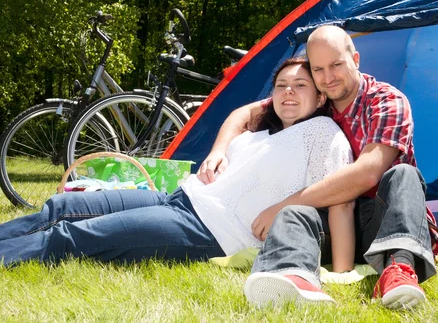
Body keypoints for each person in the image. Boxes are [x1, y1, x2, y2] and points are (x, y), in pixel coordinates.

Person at [0, 58, 354, 269]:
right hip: (177, 198)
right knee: (64, 206)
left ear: (321, 96)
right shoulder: (266, 128)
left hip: (211, 229)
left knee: (72, 237)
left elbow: (339, 197)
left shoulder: (322, 132)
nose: (288, 91)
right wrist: (219, 150)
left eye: (300, 85)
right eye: (281, 85)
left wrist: (341, 269)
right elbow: (241, 114)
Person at [198, 25, 438, 310]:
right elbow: (246, 113)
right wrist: (218, 150)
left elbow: (368, 172)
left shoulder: (386, 101)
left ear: (355, 60)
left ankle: (398, 270)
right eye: (318, 69)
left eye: (336, 65)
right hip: (333, 220)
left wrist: (283, 203)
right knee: (296, 214)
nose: (328, 77)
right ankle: (292, 275)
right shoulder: (318, 100)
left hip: (382, 220)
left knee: (403, 174)